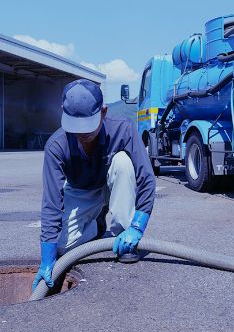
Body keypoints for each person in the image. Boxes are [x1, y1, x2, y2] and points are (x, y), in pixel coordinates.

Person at [32, 79, 155, 290]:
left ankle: (124, 238)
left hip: (114, 186)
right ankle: (97, 227)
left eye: (88, 125)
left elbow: (146, 178)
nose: (82, 134)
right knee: (63, 246)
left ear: (104, 112)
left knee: (123, 162)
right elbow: (52, 202)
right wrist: (47, 258)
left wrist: (137, 226)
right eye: (76, 127)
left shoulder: (123, 130)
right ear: (63, 113)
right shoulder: (56, 145)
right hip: (81, 192)